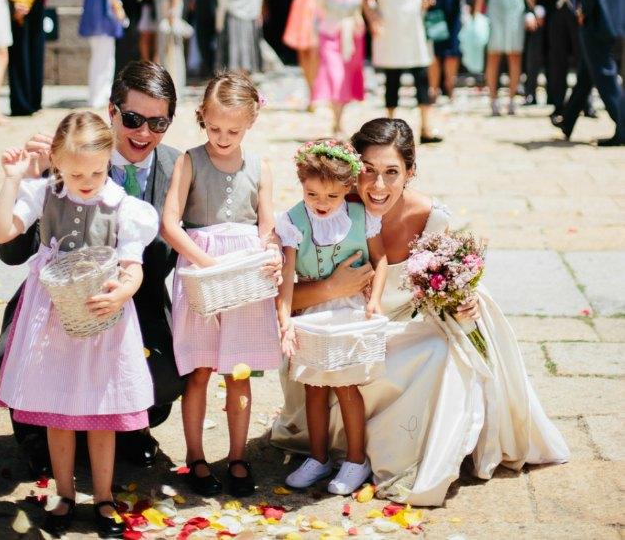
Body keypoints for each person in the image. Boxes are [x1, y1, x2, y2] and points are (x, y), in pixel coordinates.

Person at [271, 117, 570, 505]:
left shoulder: (431, 218)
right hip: (349, 325)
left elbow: (450, 278)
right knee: (347, 360)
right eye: (369, 172)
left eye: (392, 173)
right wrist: (332, 287)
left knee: (438, 354)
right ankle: (331, 454)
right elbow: (286, 296)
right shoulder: (330, 206)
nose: (378, 186)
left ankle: (408, 452)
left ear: (410, 172)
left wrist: (465, 296)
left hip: (411, 321)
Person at [0, 61, 185, 474]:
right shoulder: (69, 156)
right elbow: (11, 253)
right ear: (111, 111)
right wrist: (37, 177)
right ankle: (39, 432)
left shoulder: (179, 167)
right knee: (18, 356)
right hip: (56, 301)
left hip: (137, 299)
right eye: (133, 119)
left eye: (159, 123)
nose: (144, 133)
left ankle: (129, 428)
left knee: (169, 371)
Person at [0, 111, 158, 537]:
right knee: (59, 412)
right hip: (52, 319)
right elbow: (0, 231)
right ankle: (64, 492)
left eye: (98, 171)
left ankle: (102, 496)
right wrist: (11, 179)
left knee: (100, 411)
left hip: (103, 321)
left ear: (109, 162)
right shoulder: (42, 194)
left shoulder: (123, 208)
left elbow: (133, 266)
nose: (87, 180)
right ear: (56, 162)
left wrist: (122, 291)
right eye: (76, 171)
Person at [161, 72, 282, 498]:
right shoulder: (189, 160)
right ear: (202, 120)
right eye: (214, 128)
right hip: (201, 275)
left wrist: (269, 256)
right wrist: (206, 263)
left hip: (244, 280)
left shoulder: (260, 165)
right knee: (199, 369)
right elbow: (170, 223)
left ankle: (237, 456)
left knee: (239, 371)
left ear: (249, 124)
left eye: (233, 130)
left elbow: (267, 225)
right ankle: (194, 454)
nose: (223, 137)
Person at [276, 140, 387, 496]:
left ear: (346, 190)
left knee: (344, 382)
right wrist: (285, 321)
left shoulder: (360, 217)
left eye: (331, 197)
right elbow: (286, 279)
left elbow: (379, 259)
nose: (321, 204)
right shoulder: (293, 222)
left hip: (350, 309)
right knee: (313, 385)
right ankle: (319, 456)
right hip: (312, 312)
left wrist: (376, 301)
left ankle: (356, 459)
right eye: (312, 195)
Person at [363, 0, 440, 142]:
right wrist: (373, 17)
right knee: (392, 77)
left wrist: (428, 1)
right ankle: (388, 127)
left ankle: (426, 126)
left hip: (414, 28)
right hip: (390, 28)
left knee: (421, 76)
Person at [558, 0, 625, 146]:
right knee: (587, 74)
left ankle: (623, 127)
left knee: (606, 77)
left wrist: (583, 10)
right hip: (615, 24)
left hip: (596, 25)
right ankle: (567, 120)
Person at [311, 0, 369, 134]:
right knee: (335, 75)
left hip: (353, 33)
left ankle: (339, 118)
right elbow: (318, 7)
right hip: (330, 32)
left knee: (347, 76)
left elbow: (367, 2)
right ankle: (335, 118)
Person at [276, 0, 337, 111]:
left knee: (317, 50)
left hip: (320, 6)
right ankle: (311, 91)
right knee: (303, 52)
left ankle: (318, 92)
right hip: (302, 7)